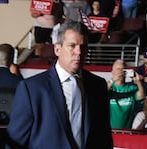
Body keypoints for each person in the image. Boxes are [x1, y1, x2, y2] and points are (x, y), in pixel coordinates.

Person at [6, 21, 113, 149]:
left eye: (83, 46)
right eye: (72, 46)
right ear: (57, 49)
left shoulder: (98, 86)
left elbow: (104, 137)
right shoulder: (31, 89)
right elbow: (15, 142)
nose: (79, 52)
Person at [107, 59, 146, 130]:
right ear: (112, 72)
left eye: (123, 69)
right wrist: (112, 80)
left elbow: (141, 96)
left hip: (127, 131)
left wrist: (138, 82)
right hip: (110, 130)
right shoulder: (110, 88)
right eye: (118, 69)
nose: (120, 71)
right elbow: (100, 93)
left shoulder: (132, 88)